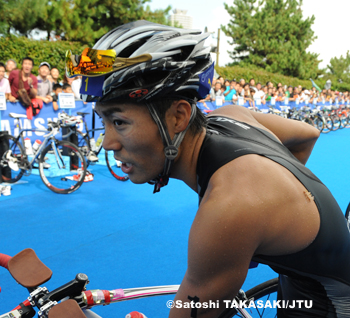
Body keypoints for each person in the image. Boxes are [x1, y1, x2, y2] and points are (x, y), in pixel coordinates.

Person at [66, 21, 350, 317]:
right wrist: (270, 213)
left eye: (120, 122)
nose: (107, 143)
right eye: (103, 121)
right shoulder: (230, 116)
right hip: (309, 277)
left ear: (178, 116)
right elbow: (307, 133)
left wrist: (254, 211)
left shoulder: (231, 205)